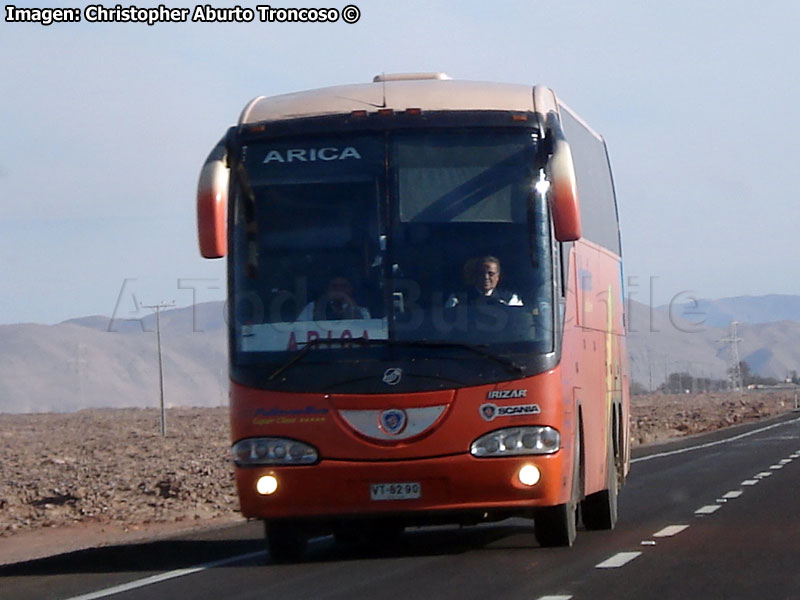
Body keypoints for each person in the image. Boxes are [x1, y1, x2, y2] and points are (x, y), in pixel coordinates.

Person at [445, 256, 523, 307]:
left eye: (491, 274)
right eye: (481, 273)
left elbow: (519, 324)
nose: (486, 277)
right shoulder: (458, 300)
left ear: (498, 277)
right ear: (475, 275)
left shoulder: (510, 300)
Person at [296, 276, 371, 321]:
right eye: (334, 286)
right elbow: (299, 330)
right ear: (327, 289)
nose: (339, 289)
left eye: (343, 286)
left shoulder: (362, 310)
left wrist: (349, 302)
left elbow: (364, 330)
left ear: (351, 288)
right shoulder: (312, 308)